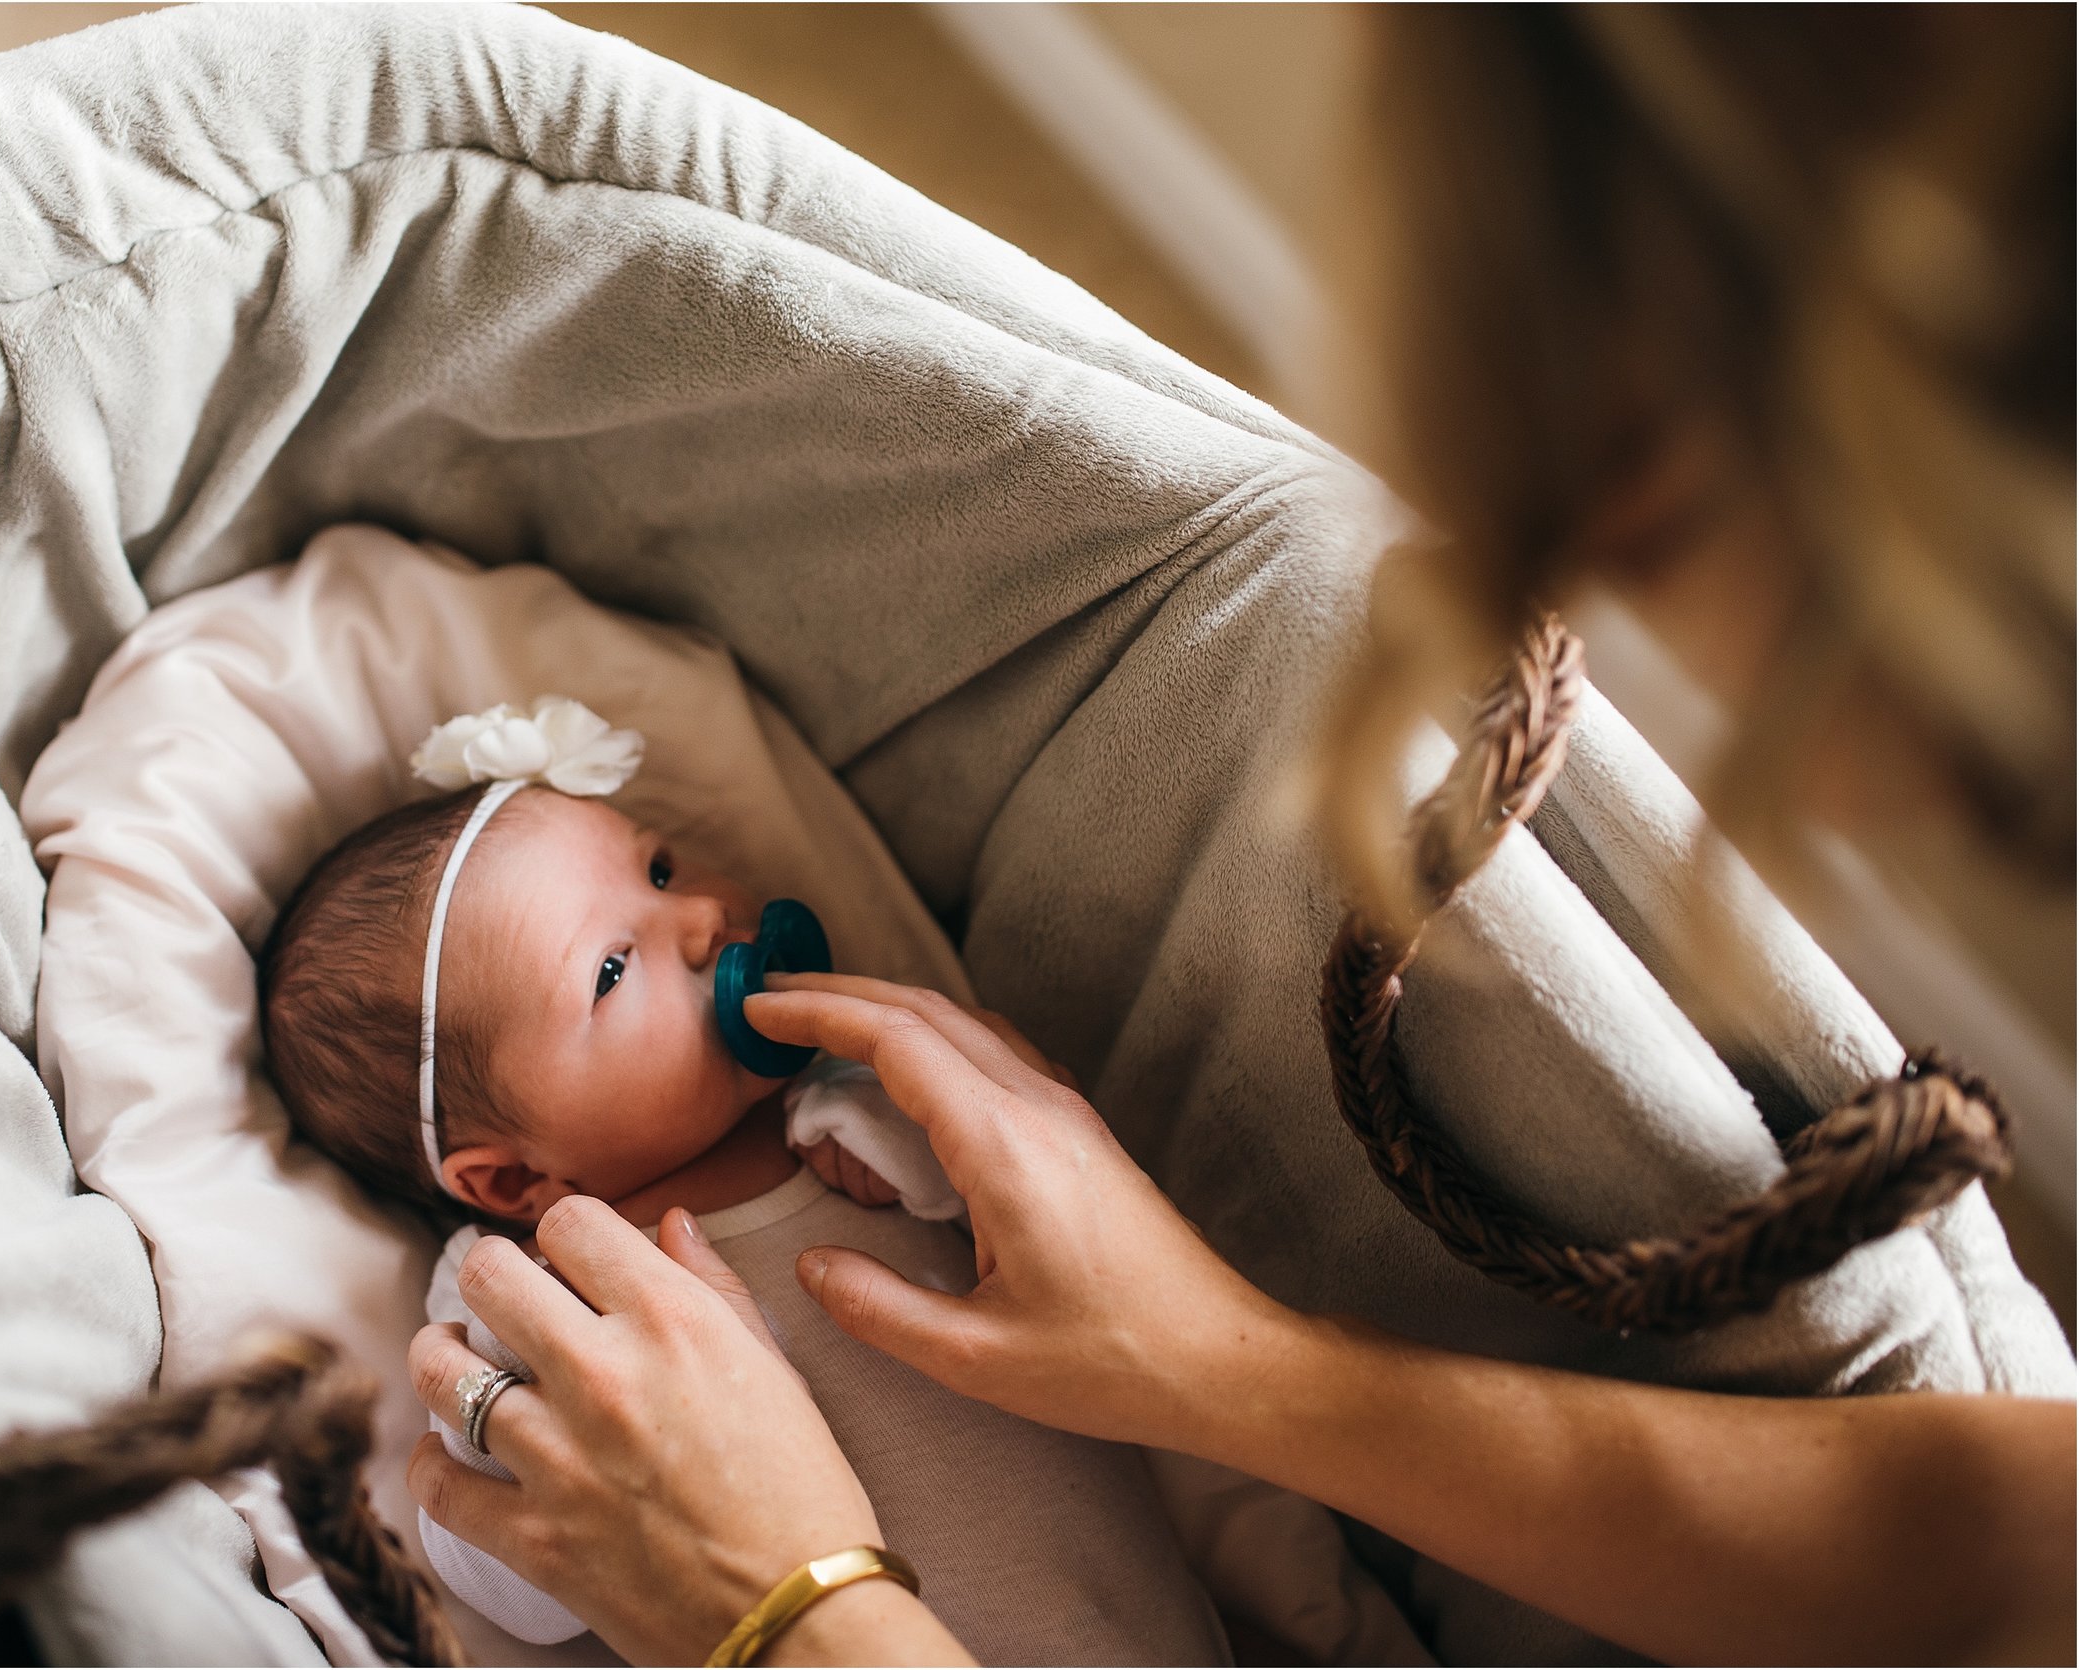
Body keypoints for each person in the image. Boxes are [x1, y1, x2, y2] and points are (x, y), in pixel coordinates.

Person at [406, 9, 2074, 1665]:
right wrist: (1226, 1365)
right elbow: (1998, 1543)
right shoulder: (541, 1283)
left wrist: (785, 1613)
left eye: (1633, 511)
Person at [265, 698, 1401, 1661]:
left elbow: (1034, 1253)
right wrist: (489, 1440)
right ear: (510, 1173)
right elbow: (526, 1579)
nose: (702, 914)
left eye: (658, 868)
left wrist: (906, 1153)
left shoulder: (859, 1112)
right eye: (612, 966)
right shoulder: (527, 1298)